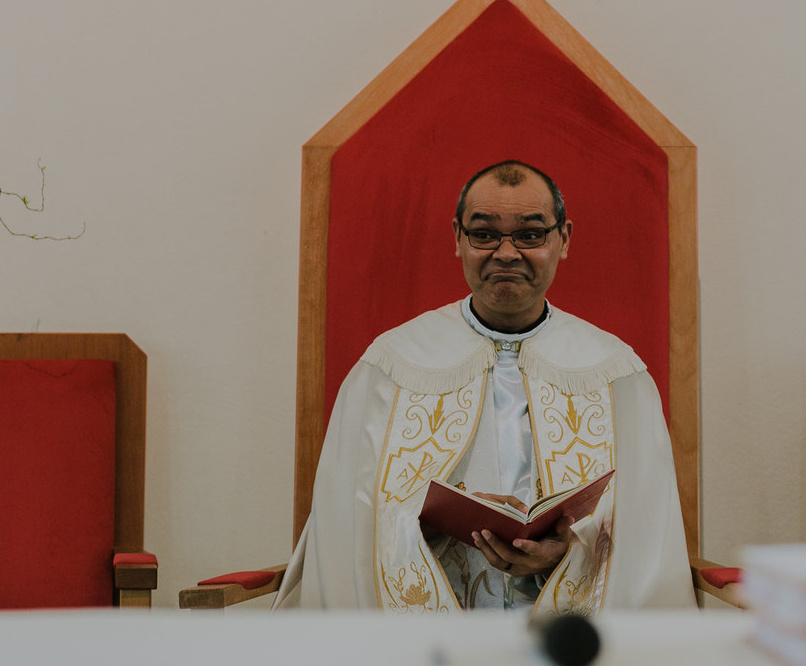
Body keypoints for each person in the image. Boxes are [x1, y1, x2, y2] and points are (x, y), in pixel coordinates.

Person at [274, 160, 694, 613]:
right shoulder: (391, 366)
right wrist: (427, 522)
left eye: (530, 235)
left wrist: (573, 545)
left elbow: (652, 528)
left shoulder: (615, 372)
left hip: (564, 633)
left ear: (564, 239)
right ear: (458, 238)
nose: (506, 253)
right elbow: (345, 523)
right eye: (484, 234)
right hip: (433, 630)